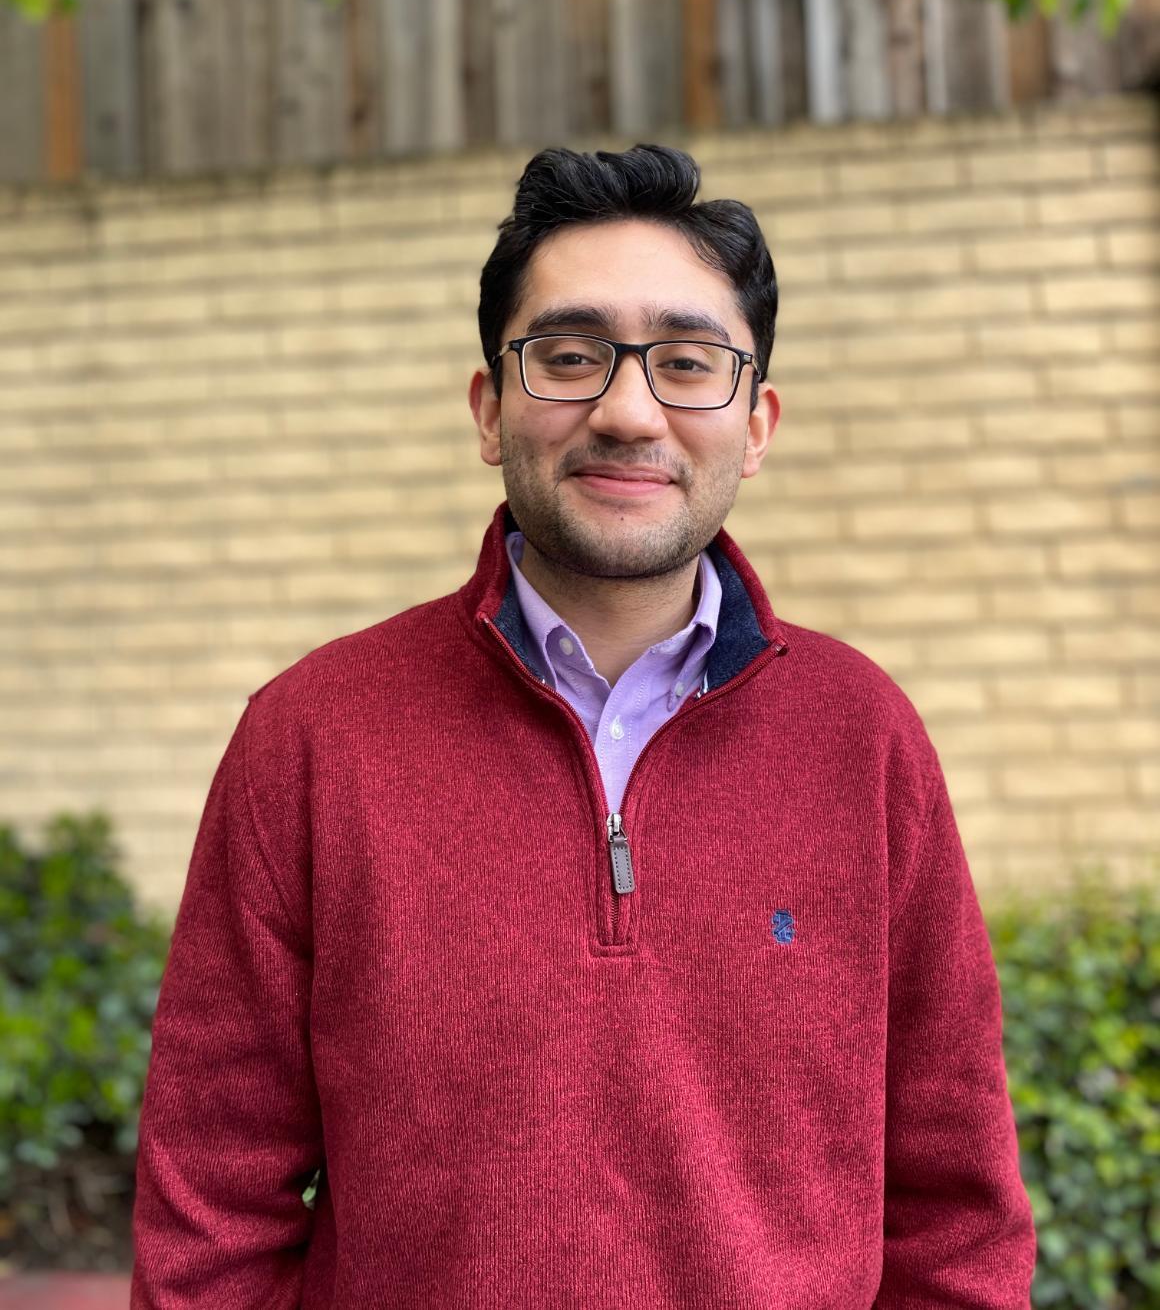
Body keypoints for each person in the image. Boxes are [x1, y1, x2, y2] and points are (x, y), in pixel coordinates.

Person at [130, 144, 1037, 1308]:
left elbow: (954, 1214)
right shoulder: (309, 738)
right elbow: (212, 1203)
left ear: (753, 425)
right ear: (487, 406)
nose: (625, 408)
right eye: (567, 356)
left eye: (685, 361)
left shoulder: (861, 740)